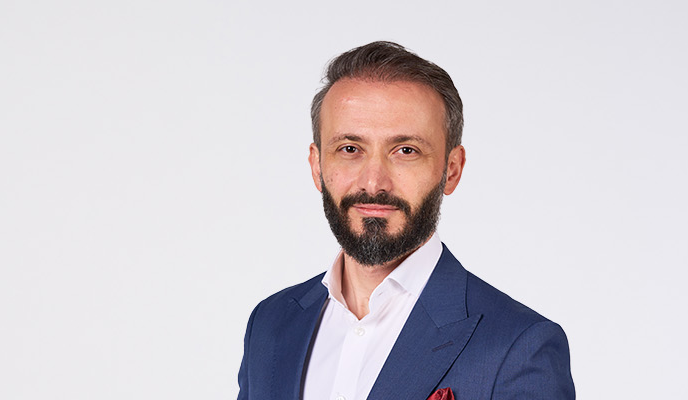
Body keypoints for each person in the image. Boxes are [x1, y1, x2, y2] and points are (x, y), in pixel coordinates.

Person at [236, 41, 574, 400]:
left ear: (451, 170)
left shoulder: (518, 347)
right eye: (349, 149)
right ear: (317, 166)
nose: (373, 183)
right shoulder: (270, 324)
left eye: (405, 151)